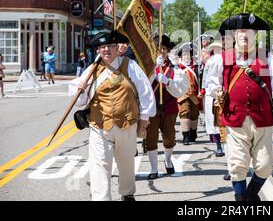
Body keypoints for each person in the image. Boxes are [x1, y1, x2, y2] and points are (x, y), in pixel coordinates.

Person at [205, 13, 273, 201]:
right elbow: (211, 83)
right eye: (241, 32)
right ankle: (240, 199)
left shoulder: (266, 58)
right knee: (237, 164)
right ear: (234, 36)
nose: (245, 36)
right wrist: (217, 91)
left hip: (263, 119)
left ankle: (251, 194)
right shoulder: (223, 58)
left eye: (250, 32)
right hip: (234, 118)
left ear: (256, 35)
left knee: (265, 165)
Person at [71, 30, 156, 201]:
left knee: (126, 163)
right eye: (102, 47)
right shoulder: (91, 70)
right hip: (99, 127)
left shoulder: (130, 66)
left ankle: (127, 192)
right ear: (98, 50)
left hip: (127, 124)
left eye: (110, 46)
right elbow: (79, 102)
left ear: (117, 48)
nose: (106, 50)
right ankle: (101, 198)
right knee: (99, 165)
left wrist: (144, 118)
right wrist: (81, 89)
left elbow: (145, 91)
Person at [146, 35, 188, 180]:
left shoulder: (175, 69)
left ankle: (168, 160)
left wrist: (167, 81)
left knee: (169, 138)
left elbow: (181, 90)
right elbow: (142, 85)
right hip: (152, 108)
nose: (161, 52)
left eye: (163, 49)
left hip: (169, 107)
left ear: (168, 50)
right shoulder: (147, 67)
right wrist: (154, 69)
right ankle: (153, 168)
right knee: (151, 138)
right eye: (158, 49)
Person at [177, 43, 201, 145]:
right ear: (181, 56)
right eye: (184, 55)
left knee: (194, 115)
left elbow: (200, 80)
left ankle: (193, 132)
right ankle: (185, 136)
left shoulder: (196, 67)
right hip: (182, 95)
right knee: (184, 113)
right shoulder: (177, 67)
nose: (186, 57)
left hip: (194, 94)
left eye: (188, 55)